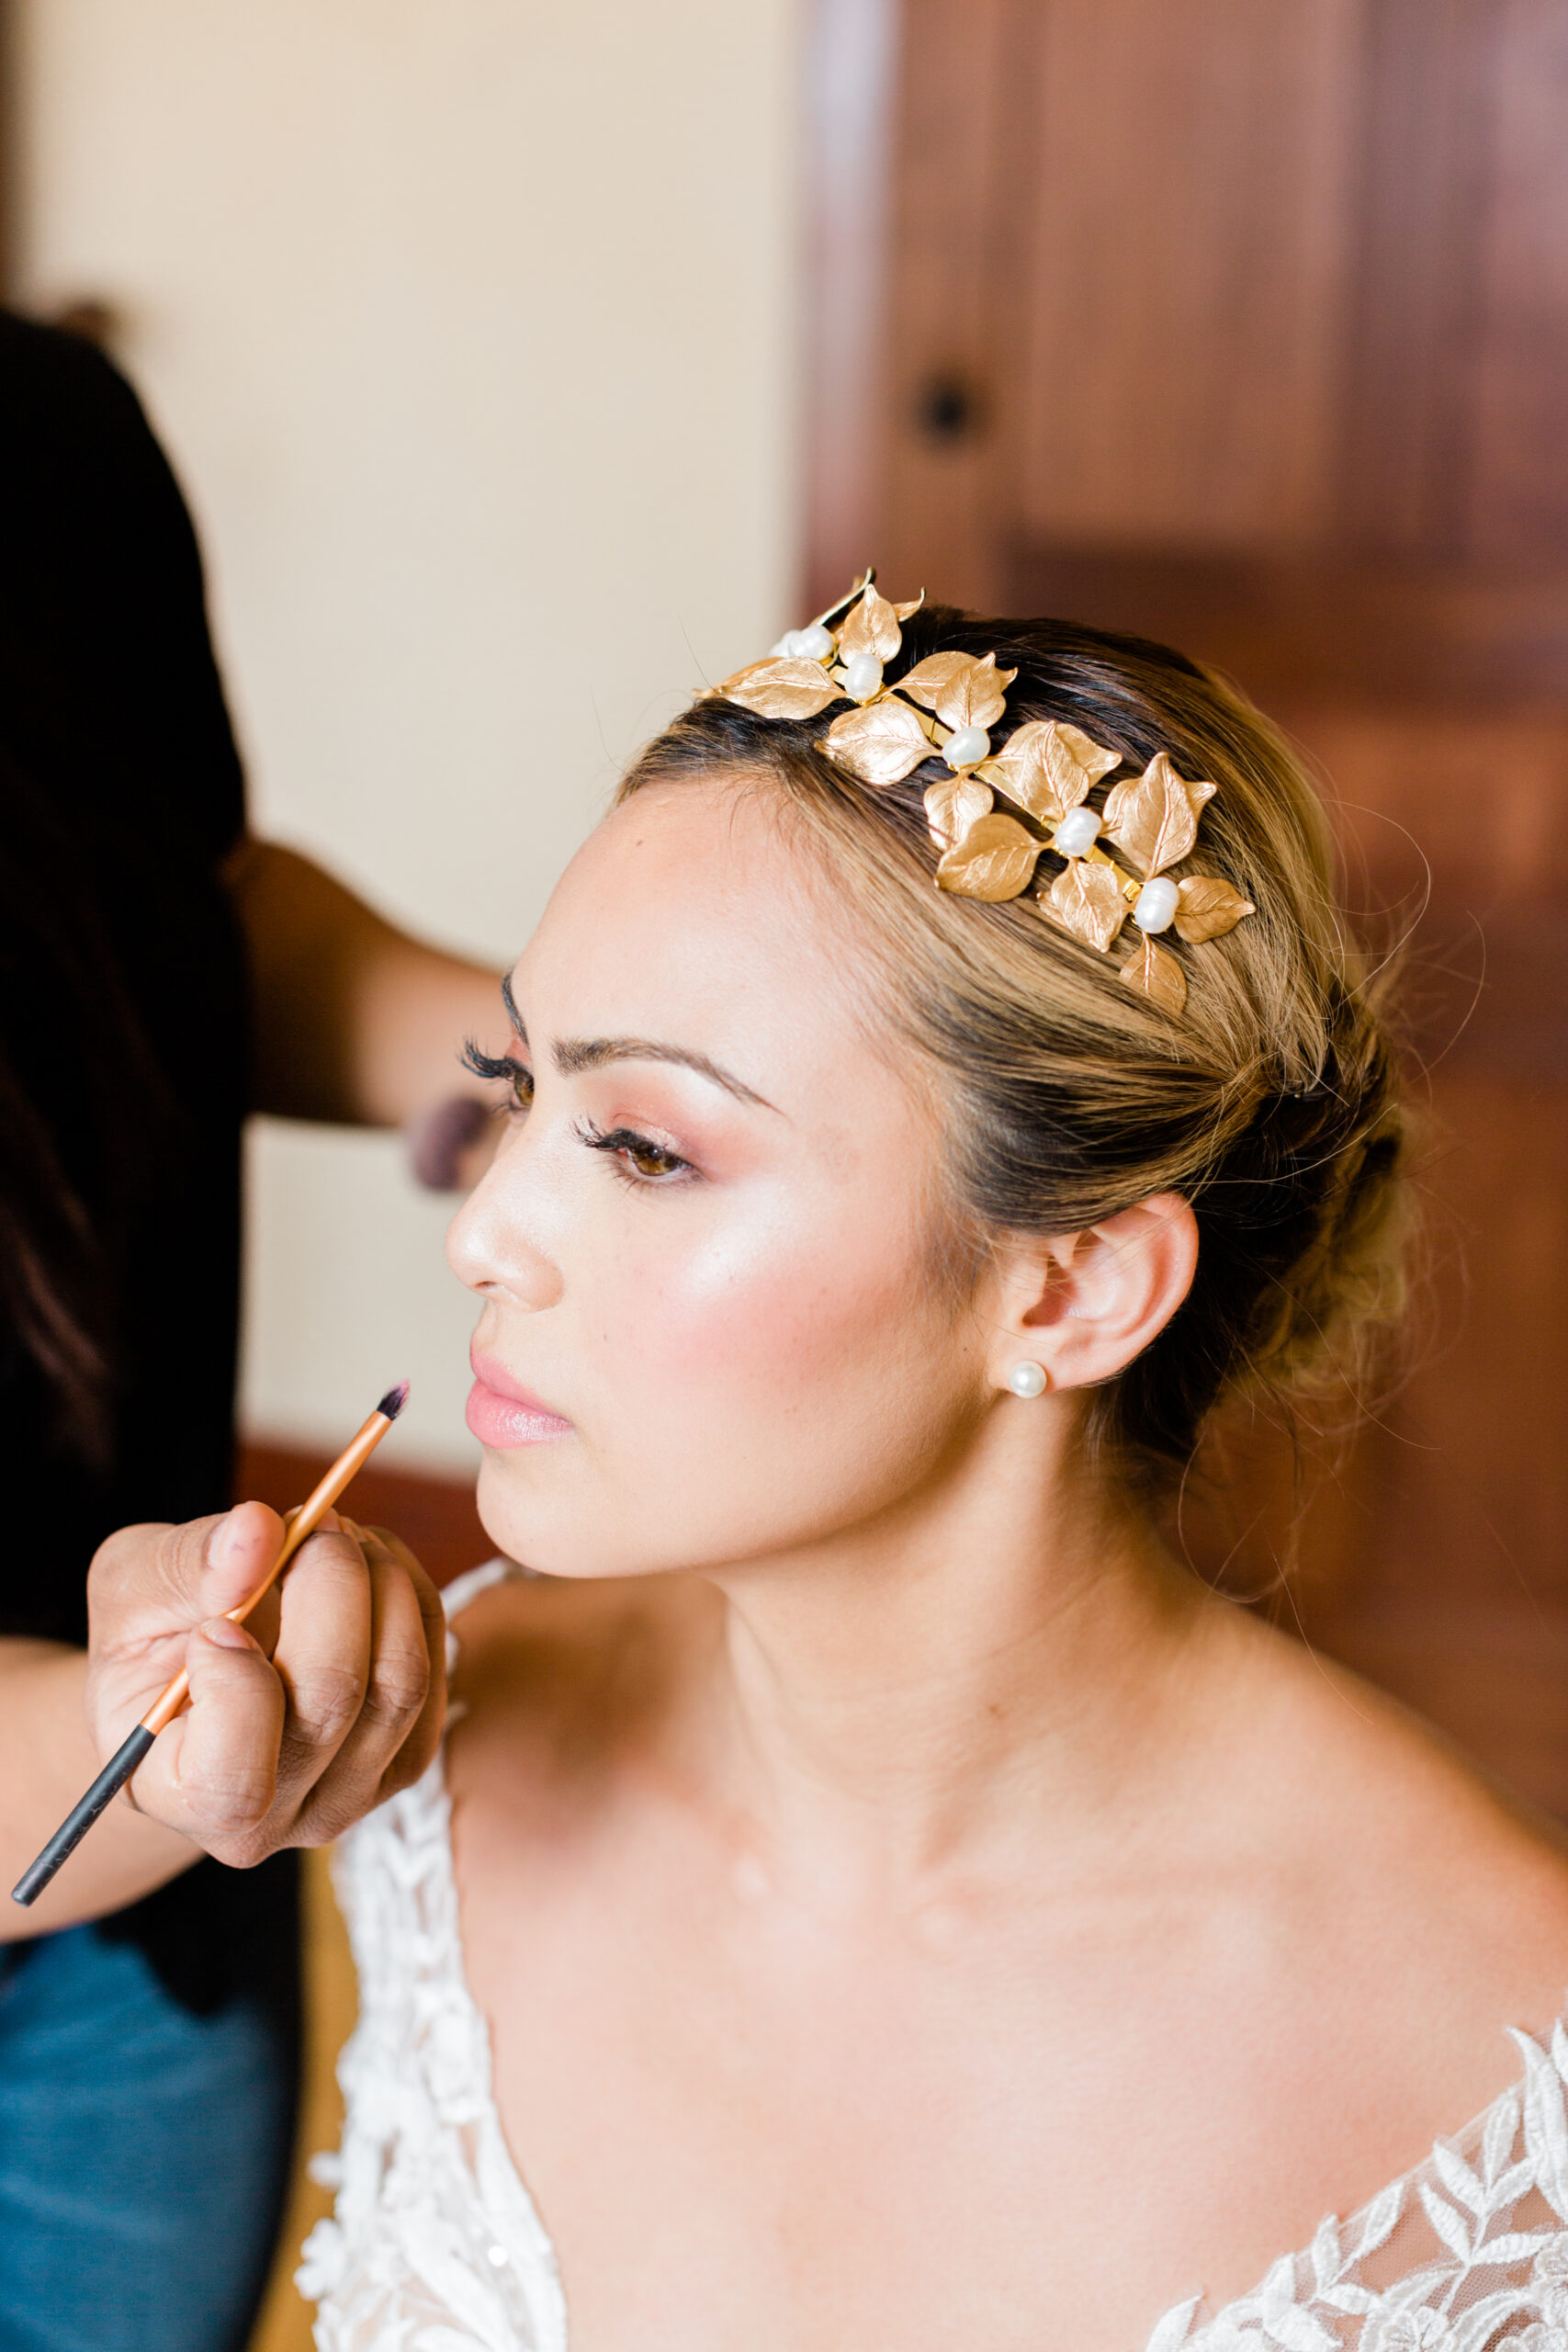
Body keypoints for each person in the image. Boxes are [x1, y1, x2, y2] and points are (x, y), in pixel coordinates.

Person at [303, 582, 1568, 2352]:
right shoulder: (453, 1739)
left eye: (648, 1149)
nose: (488, 1231)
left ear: (1066, 1288)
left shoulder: (1496, 2066)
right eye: (509, 1083)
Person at [0, 308, 502, 2352]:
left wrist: (548, 1059)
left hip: (147, 1926)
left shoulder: (46, 440)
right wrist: (159, 1758)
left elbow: (180, 902)